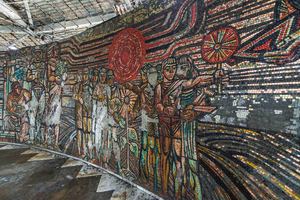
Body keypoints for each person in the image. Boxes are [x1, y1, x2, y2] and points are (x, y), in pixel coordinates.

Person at [26, 64, 46, 143]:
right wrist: (33, 74)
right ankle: (32, 138)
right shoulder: (32, 67)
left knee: (40, 117)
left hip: (42, 92)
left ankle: (39, 137)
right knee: (32, 116)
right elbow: (28, 78)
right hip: (33, 92)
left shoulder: (44, 66)